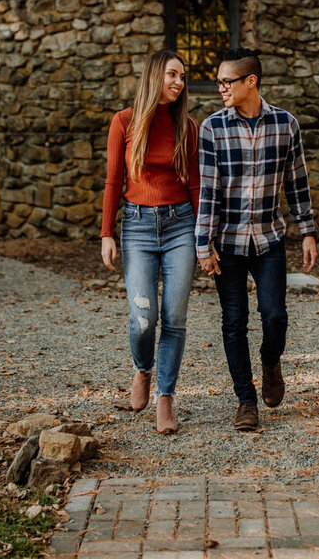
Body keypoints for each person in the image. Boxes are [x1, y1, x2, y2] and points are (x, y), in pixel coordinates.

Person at [196, 47, 318, 431]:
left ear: (251, 82)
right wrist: (204, 243)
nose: (221, 89)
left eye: (226, 82)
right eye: (218, 82)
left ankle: (270, 361)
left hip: (269, 239)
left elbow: (297, 181)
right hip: (227, 243)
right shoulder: (212, 128)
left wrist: (307, 230)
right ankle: (246, 402)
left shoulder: (286, 125)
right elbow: (208, 192)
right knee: (233, 322)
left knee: (274, 315)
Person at [100, 50, 199, 435]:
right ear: (155, 75)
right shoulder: (124, 122)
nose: (179, 82)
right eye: (173, 74)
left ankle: (165, 397)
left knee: (174, 318)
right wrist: (107, 232)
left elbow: (194, 185)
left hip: (180, 227)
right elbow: (113, 181)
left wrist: (203, 239)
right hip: (137, 227)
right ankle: (142, 370)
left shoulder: (187, 127)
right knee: (144, 319)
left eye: (183, 77)